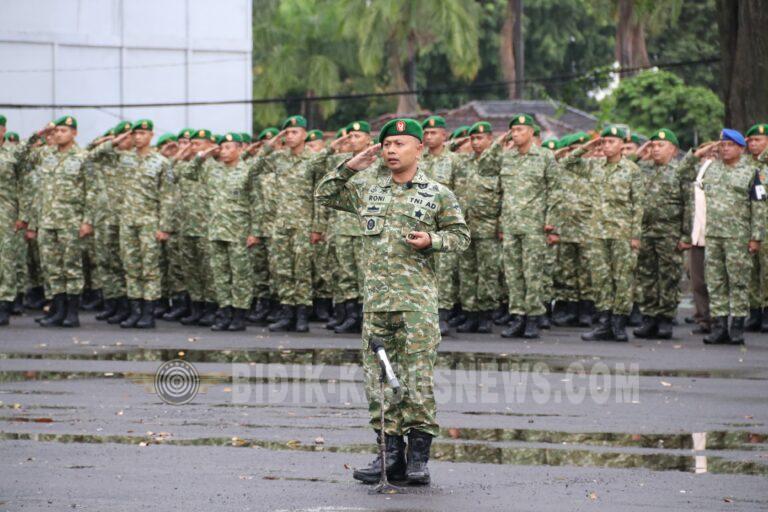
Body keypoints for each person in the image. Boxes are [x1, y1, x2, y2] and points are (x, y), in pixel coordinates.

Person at [316, 118, 470, 486]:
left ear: (419, 149)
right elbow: (324, 194)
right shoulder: (368, 190)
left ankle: (417, 459)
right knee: (379, 380)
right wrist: (352, 165)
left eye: (400, 144)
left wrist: (432, 240)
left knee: (416, 378)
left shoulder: (437, 193)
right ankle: (389, 455)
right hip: (376, 304)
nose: (390, 150)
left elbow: (460, 236)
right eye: (387, 144)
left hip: (415, 303)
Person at [478, 114, 558, 339]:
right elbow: (483, 167)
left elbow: (555, 190)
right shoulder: (506, 157)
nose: (516, 134)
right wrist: (498, 142)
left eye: (521, 130)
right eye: (513, 130)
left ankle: (532, 318)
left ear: (531, 133)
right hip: (511, 224)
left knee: (532, 274)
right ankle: (518, 317)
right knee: (513, 274)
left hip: (534, 225)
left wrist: (551, 220)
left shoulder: (544, 157)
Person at [561, 126, 644, 342]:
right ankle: (604, 323)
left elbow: (638, 205)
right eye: (604, 142)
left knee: (623, 279)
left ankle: (619, 324)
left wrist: (635, 235)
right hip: (596, 233)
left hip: (622, 233)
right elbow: (566, 162)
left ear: (621, 145)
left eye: (611, 142)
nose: (607, 146)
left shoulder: (632, 170)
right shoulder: (593, 166)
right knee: (600, 279)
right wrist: (587, 146)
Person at [683, 130, 765, 344]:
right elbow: (681, 173)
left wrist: (756, 237)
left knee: (738, 282)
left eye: (730, 145)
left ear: (740, 148)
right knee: (716, 282)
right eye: (722, 144)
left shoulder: (752, 171)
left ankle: (736, 326)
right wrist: (702, 151)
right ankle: (719, 327)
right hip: (714, 236)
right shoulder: (710, 169)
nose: (725, 148)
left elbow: (758, 206)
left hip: (738, 236)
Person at [21, 116, 92, 328]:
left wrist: (87, 221)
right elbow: (21, 156)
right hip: (46, 220)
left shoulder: (83, 157)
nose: (59, 134)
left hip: (71, 221)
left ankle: (72, 312)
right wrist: (40, 133)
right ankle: (58, 310)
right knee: (51, 267)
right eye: (57, 131)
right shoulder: (45, 155)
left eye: (64, 130)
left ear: (74, 133)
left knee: (70, 267)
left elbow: (93, 191)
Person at [633, 129, 691, 339]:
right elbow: (626, 164)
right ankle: (649, 317)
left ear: (674, 150)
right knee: (646, 275)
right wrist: (641, 152)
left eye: (661, 146)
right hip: (646, 231)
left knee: (668, 276)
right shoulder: (643, 169)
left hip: (669, 232)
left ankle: (665, 318)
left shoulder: (680, 172)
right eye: (653, 146)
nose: (656, 150)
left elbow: (689, 205)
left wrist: (686, 236)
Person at [454, 121, 501, 334]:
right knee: (467, 272)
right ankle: (470, 313)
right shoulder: (464, 162)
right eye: (472, 139)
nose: (475, 142)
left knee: (488, 272)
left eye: (480, 138)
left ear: (490, 139)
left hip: (488, 226)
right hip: (466, 226)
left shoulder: (498, 163)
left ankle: (486, 315)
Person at [419, 115, 462, 335]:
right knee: (421, 270)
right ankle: (424, 315)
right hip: (421, 223)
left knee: (444, 272)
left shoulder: (454, 160)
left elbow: (461, 193)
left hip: (443, 225)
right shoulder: (419, 160)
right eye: (425, 133)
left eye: (433, 133)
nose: (428, 136)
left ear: (444, 135)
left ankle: (443, 315)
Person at [744, 123, 768, 331]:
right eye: (750, 140)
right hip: (748, 225)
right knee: (751, 270)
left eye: (757, 140)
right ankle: (754, 312)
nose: (753, 144)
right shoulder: (746, 164)